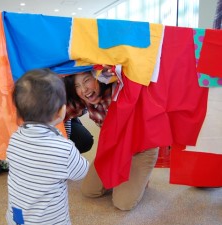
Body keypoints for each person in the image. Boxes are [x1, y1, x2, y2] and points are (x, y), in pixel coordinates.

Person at [64, 68, 159, 211]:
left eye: (87, 80)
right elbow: (58, 113)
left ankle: (139, 180)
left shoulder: (118, 88)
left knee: (123, 203)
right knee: (89, 191)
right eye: (77, 86)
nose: (84, 90)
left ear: (98, 77)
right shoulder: (86, 98)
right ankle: (124, 178)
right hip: (113, 149)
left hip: (140, 150)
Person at [6, 68, 89, 225]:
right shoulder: (63, 148)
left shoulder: (15, 138)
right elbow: (81, 171)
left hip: (16, 217)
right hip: (49, 220)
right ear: (61, 111)